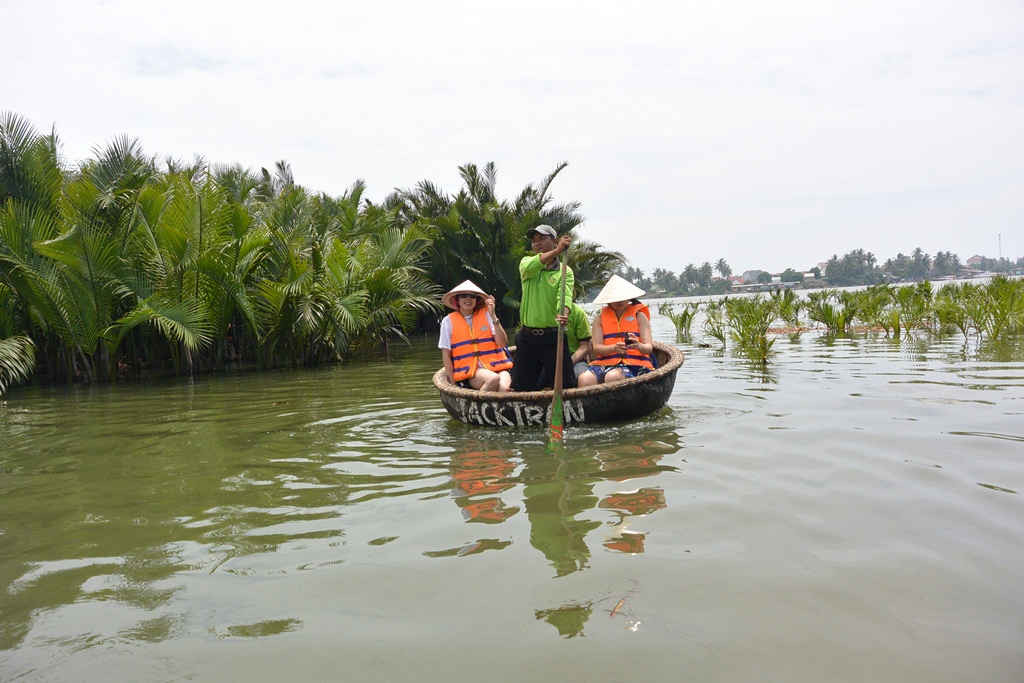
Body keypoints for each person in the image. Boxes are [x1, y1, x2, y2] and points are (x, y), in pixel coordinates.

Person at [511, 225, 576, 392]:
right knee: (521, 387)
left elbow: (564, 296)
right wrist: (558, 251)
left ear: (553, 241)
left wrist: (564, 313)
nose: (536, 243)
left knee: (566, 386)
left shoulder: (564, 271)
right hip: (527, 337)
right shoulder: (527, 264)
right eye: (534, 241)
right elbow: (534, 264)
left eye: (542, 239)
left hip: (553, 337)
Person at [577, 275, 654, 387]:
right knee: (585, 379)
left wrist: (638, 345)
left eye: (622, 297)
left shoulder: (640, 316)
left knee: (612, 377)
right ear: (608, 300)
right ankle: (589, 404)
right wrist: (614, 348)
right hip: (604, 363)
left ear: (629, 297)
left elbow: (648, 348)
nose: (619, 301)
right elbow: (597, 349)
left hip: (635, 365)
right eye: (615, 298)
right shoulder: (599, 319)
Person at [438, 280, 513, 392]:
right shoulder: (448, 321)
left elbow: (502, 343)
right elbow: (446, 355)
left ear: (476, 300)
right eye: (463, 296)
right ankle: (476, 407)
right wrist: (452, 384)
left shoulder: (487, 315)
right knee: (493, 379)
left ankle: (494, 408)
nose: (468, 299)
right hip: (472, 372)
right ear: (457, 300)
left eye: (472, 296)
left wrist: (493, 316)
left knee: (503, 388)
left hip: (498, 367)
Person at [565, 303, 593, 378]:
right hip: (548, 359)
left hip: (575, 359)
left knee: (585, 377)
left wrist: (567, 363)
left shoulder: (578, 313)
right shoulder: (545, 311)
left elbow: (585, 346)